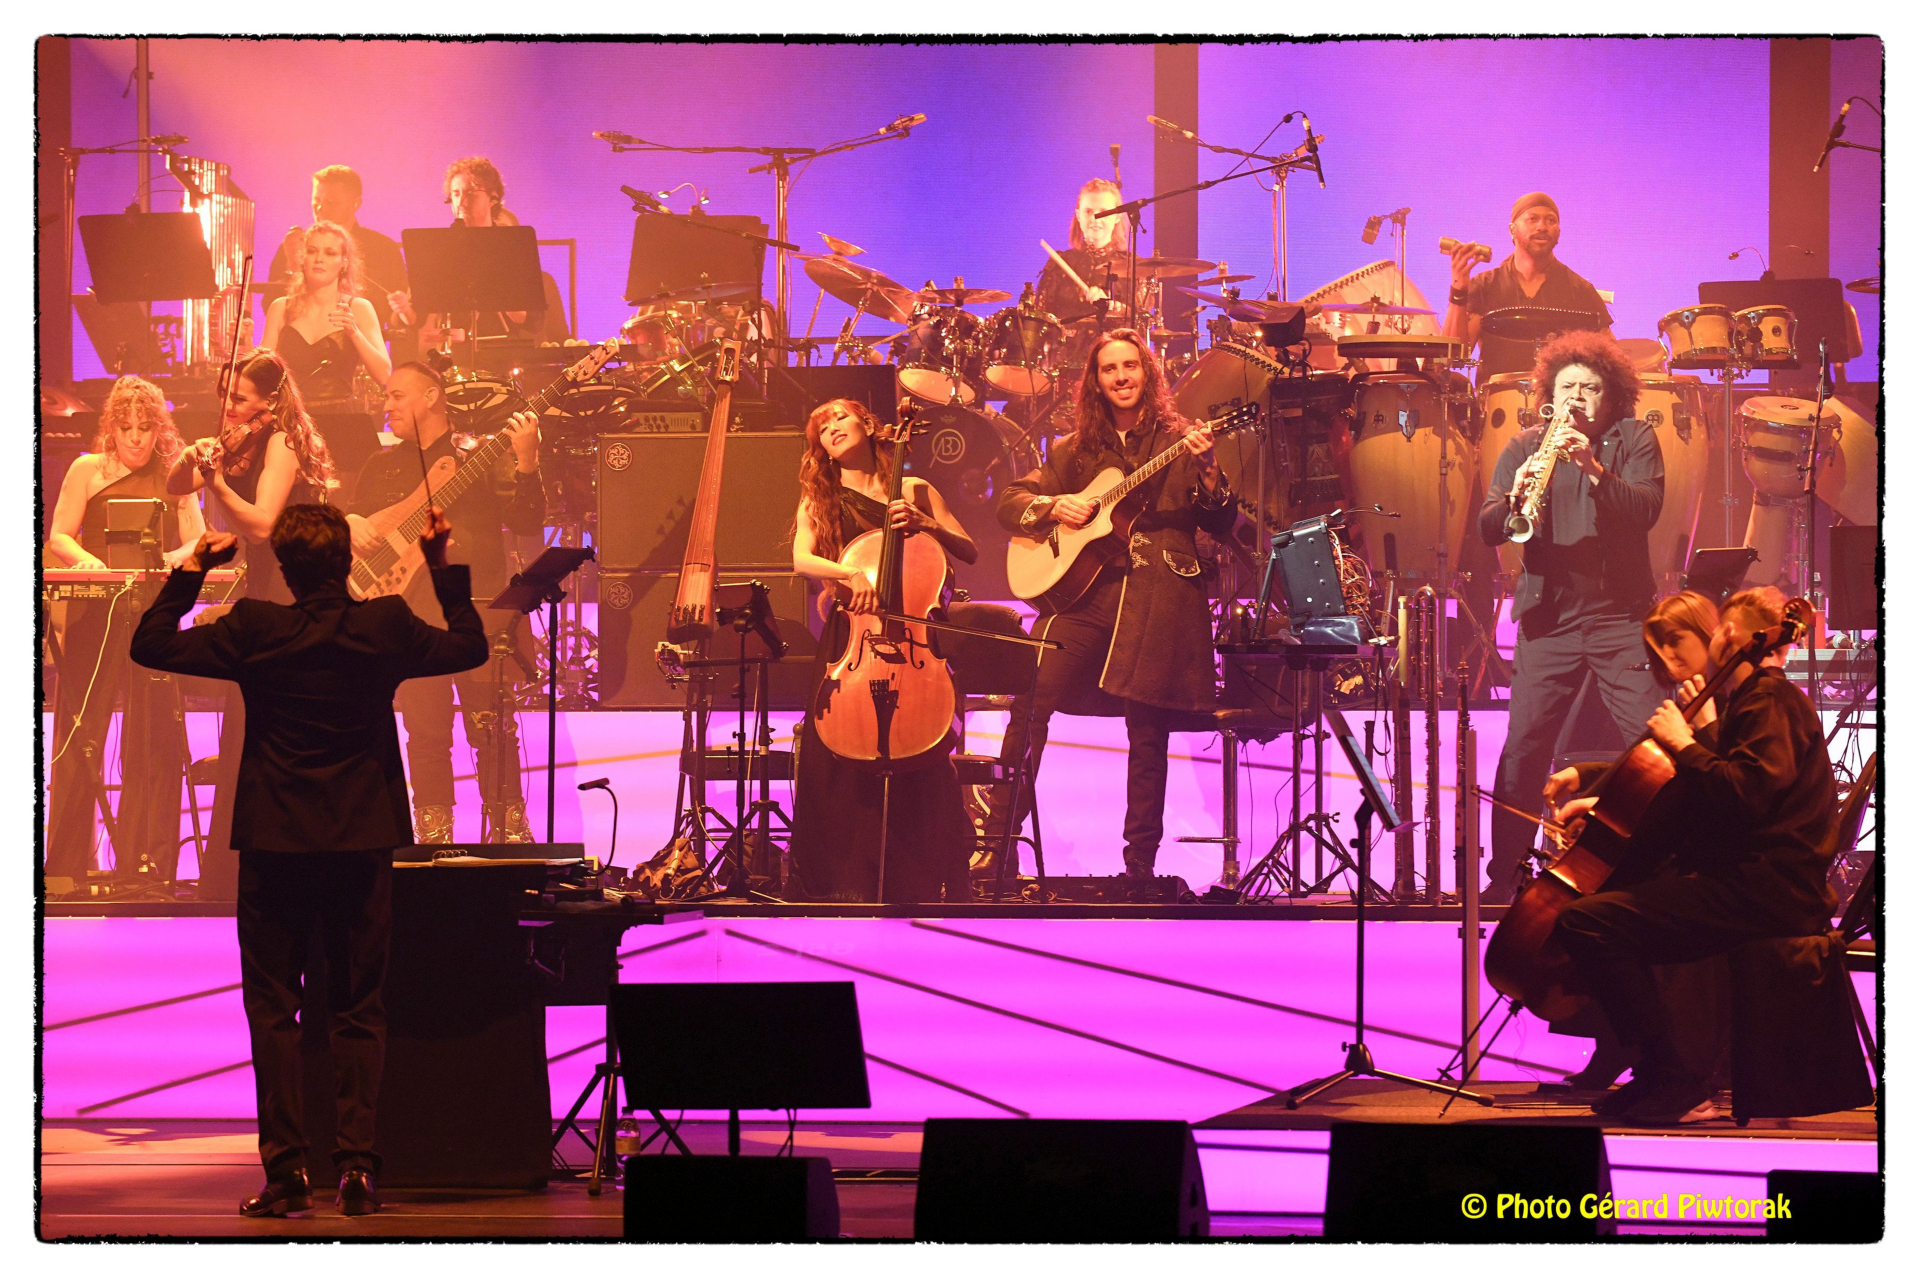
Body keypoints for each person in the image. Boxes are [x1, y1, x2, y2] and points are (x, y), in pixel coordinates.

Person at [130, 503, 487, 1216]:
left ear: (285, 571)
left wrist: (193, 570)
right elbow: (469, 647)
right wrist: (440, 567)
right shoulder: (384, 625)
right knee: (359, 1006)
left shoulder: (255, 628)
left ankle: (286, 1172)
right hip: (359, 838)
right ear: (347, 562)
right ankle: (356, 1169)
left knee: (273, 1010)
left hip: (276, 841)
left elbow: (151, 644)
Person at [1550, 587, 1839, 1124]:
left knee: (1589, 922)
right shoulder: (1754, 700)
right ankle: (1659, 1073)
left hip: (1767, 890)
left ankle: (1676, 1079)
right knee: (1612, 915)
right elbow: (1697, 789)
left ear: (1725, 633)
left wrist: (1686, 742)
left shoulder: (1767, 700)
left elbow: (1745, 794)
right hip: (1752, 882)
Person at [983, 330, 1235, 879]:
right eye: (1109, 369)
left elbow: (1221, 522)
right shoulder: (1074, 450)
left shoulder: (1182, 439)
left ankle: (1139, 868)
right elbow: (1010, 502)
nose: (1121, 377)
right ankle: (998, 846)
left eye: (1130, 366)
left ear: (1148, 373)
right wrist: (1054, 506)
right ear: (1095, 381)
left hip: (1157, 598)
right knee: (1031, 698)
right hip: (1086, 599)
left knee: (1147, 731)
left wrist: (1210, 470)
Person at [1478, 330, 1666, 905]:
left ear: (1612, 396)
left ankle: (1661, 868)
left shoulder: (1634, 438)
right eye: (1567, 387)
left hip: (1618, 619)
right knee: (1524, 749)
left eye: (1590, 387)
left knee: (1651, 743)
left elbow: (1645, 509)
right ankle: (1504, 876)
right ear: (1549, 394)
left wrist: (1593, 469)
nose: (1577, 397)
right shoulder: (1525, 446)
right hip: (1549, 623)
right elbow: (1488, 526)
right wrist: (1514, 500)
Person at [1539, 590, 1730, 1092]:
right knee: (1600, 893)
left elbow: (1722, 790)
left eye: (1676, 641)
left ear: (1708, 635)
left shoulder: (1730, 704)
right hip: (1674, 845)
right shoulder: (1689, 701)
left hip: (1707, 861)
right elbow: (1649, 769)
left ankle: (1641, 1051)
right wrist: (1587, 778)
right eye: (1657, 648)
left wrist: (1705, 730)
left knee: (1601, 908)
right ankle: (1617, 1043)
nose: (1667, 657)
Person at [788, 398, 976, 902]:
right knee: (840, 759)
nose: (831, 429)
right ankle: (846, 880)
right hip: (853, 638)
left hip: (915, 642)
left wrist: (927, 523)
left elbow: (969, 549)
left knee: (925, 755)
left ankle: (925, 878)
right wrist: (850, 573)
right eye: (821, 429)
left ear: (870, 426)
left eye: (839, 418)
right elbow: (802, 559)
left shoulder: (915, 490)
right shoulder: (820, 499)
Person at [349, 362, 544, 843]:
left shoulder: (480, 455)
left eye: (396, 395)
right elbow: (352, 527)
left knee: (492, 730)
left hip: (475, 617)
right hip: (410, 621)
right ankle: (434, 844)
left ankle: (510, 839)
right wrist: (349, 522)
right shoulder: (381, 465)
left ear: (431, 396)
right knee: (426, 735)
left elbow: (526, 520)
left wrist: (528, 462)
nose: (387, 406)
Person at [168, 348, 338, 898]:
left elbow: (263, 525)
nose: (229, 407)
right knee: (248, 732)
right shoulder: (240, 444)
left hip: (294, 596)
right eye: (225, 396)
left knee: (273, 733)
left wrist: (216, 482)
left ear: (271, 401)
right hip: (266, 591)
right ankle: (239, 878)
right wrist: (192, 459)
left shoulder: (283, 442)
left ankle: (282, 877)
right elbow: (175, 486)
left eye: (239, 399)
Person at [43, 376, 206, 891]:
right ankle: (65, 868)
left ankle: (147, 864)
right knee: (81, 728)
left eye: (144, 428)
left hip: (152, 611)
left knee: (153, 732)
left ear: (159, 429)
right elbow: (60, 535)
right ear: (110, 428)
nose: (135, 438)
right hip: (96, 610)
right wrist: (90, 562)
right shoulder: (87, 469)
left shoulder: (176, 475)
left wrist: (169, 558)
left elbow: (199, 540)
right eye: (126, 428)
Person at [264, 222, 392, 497]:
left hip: (343, 426)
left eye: (329, 252)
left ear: (344, 262)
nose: (319, 258)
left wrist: (354, 332)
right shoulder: (281, 308)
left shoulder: (358, 308)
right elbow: (262, 376)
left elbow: (384, 374)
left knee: (342, 508)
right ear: (302, 258)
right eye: (312, 251)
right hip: (292, 424)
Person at [1442, 192, 1615, 382]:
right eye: (1532, 219)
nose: (1542, 226)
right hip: (1498, 399)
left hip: (1561, 398)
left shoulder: (1580, 290)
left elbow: (1613, 358)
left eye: (1551, 220)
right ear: (1512, 230)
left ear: (1558, 232)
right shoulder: (1485, 286)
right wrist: (1458, 289)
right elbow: (1452, 357)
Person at [389, 157, 552, 345]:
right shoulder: (439, 248)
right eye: (456, 194)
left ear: (492, 198)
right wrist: (404, 309)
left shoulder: (513, 247)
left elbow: (536, 323)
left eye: (471, 193)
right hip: (455, 354)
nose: (461, 202)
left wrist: (515, 309)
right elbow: (416, 318)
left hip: (504, 352)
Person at [266, 166, 410, 334]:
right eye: (316, 200)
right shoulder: (295, 244)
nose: (320, 208)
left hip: (361, 341)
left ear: (355, 203)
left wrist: (402, 310)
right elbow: (270, 307)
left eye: (331, 202)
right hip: (301, 339)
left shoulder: (383, 248)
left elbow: (396, 318)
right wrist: (293, 262)